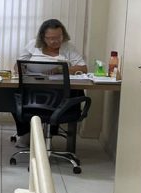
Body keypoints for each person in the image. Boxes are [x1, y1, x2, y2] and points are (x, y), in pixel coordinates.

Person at [12, 18, 87, 146]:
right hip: (33, 92)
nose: (55, 41)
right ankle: (25, 133)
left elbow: (83, 68)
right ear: (43, 37)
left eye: (59, 37)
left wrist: (60, 70)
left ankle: (49, 133)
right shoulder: (33, 45)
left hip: (60, 95)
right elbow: (17, 67)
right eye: (51, 38)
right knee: (13, 96)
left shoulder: (68, 47)